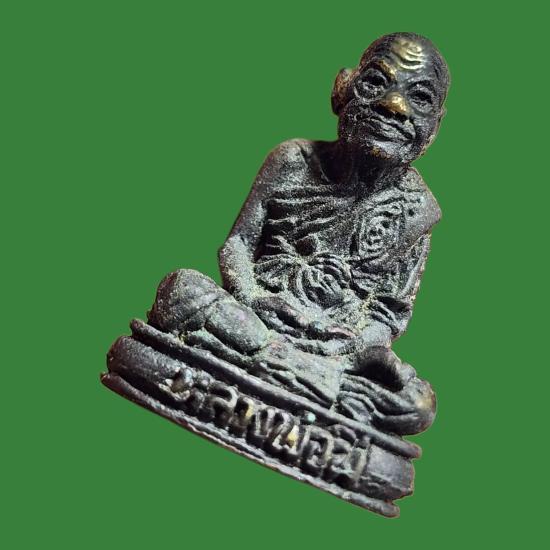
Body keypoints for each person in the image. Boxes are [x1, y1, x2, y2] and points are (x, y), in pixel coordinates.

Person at [148, 33, 450, 436]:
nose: (394, 105)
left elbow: (387, 314)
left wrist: (348, 347)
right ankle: (311, 385)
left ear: (435, 126)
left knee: (419, 405)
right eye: (376, 83)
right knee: (180, 289)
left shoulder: (417, 212)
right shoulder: (293, 159)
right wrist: (252, 296)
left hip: (337, 346)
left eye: (420, 98)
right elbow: (239, 244)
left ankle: (269, 366)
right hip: (255, 316)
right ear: (344, 87)